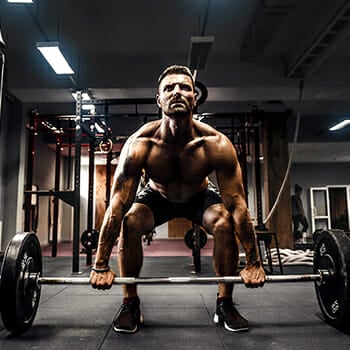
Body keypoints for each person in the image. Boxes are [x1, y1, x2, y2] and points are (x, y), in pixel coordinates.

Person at [90, 65, 266, 334]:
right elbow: (117, 203)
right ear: (158, 100)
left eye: (185, 87)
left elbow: (238, 204)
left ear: (195, 97)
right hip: (157, 195)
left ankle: (225, 303)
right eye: (169, 88)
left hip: (199, 195)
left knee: (224, 222)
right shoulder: (140, 144)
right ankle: (130, 303)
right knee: (131, 221)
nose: (177, 92)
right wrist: (100, 263)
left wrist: (254, 262)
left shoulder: (215, 144)